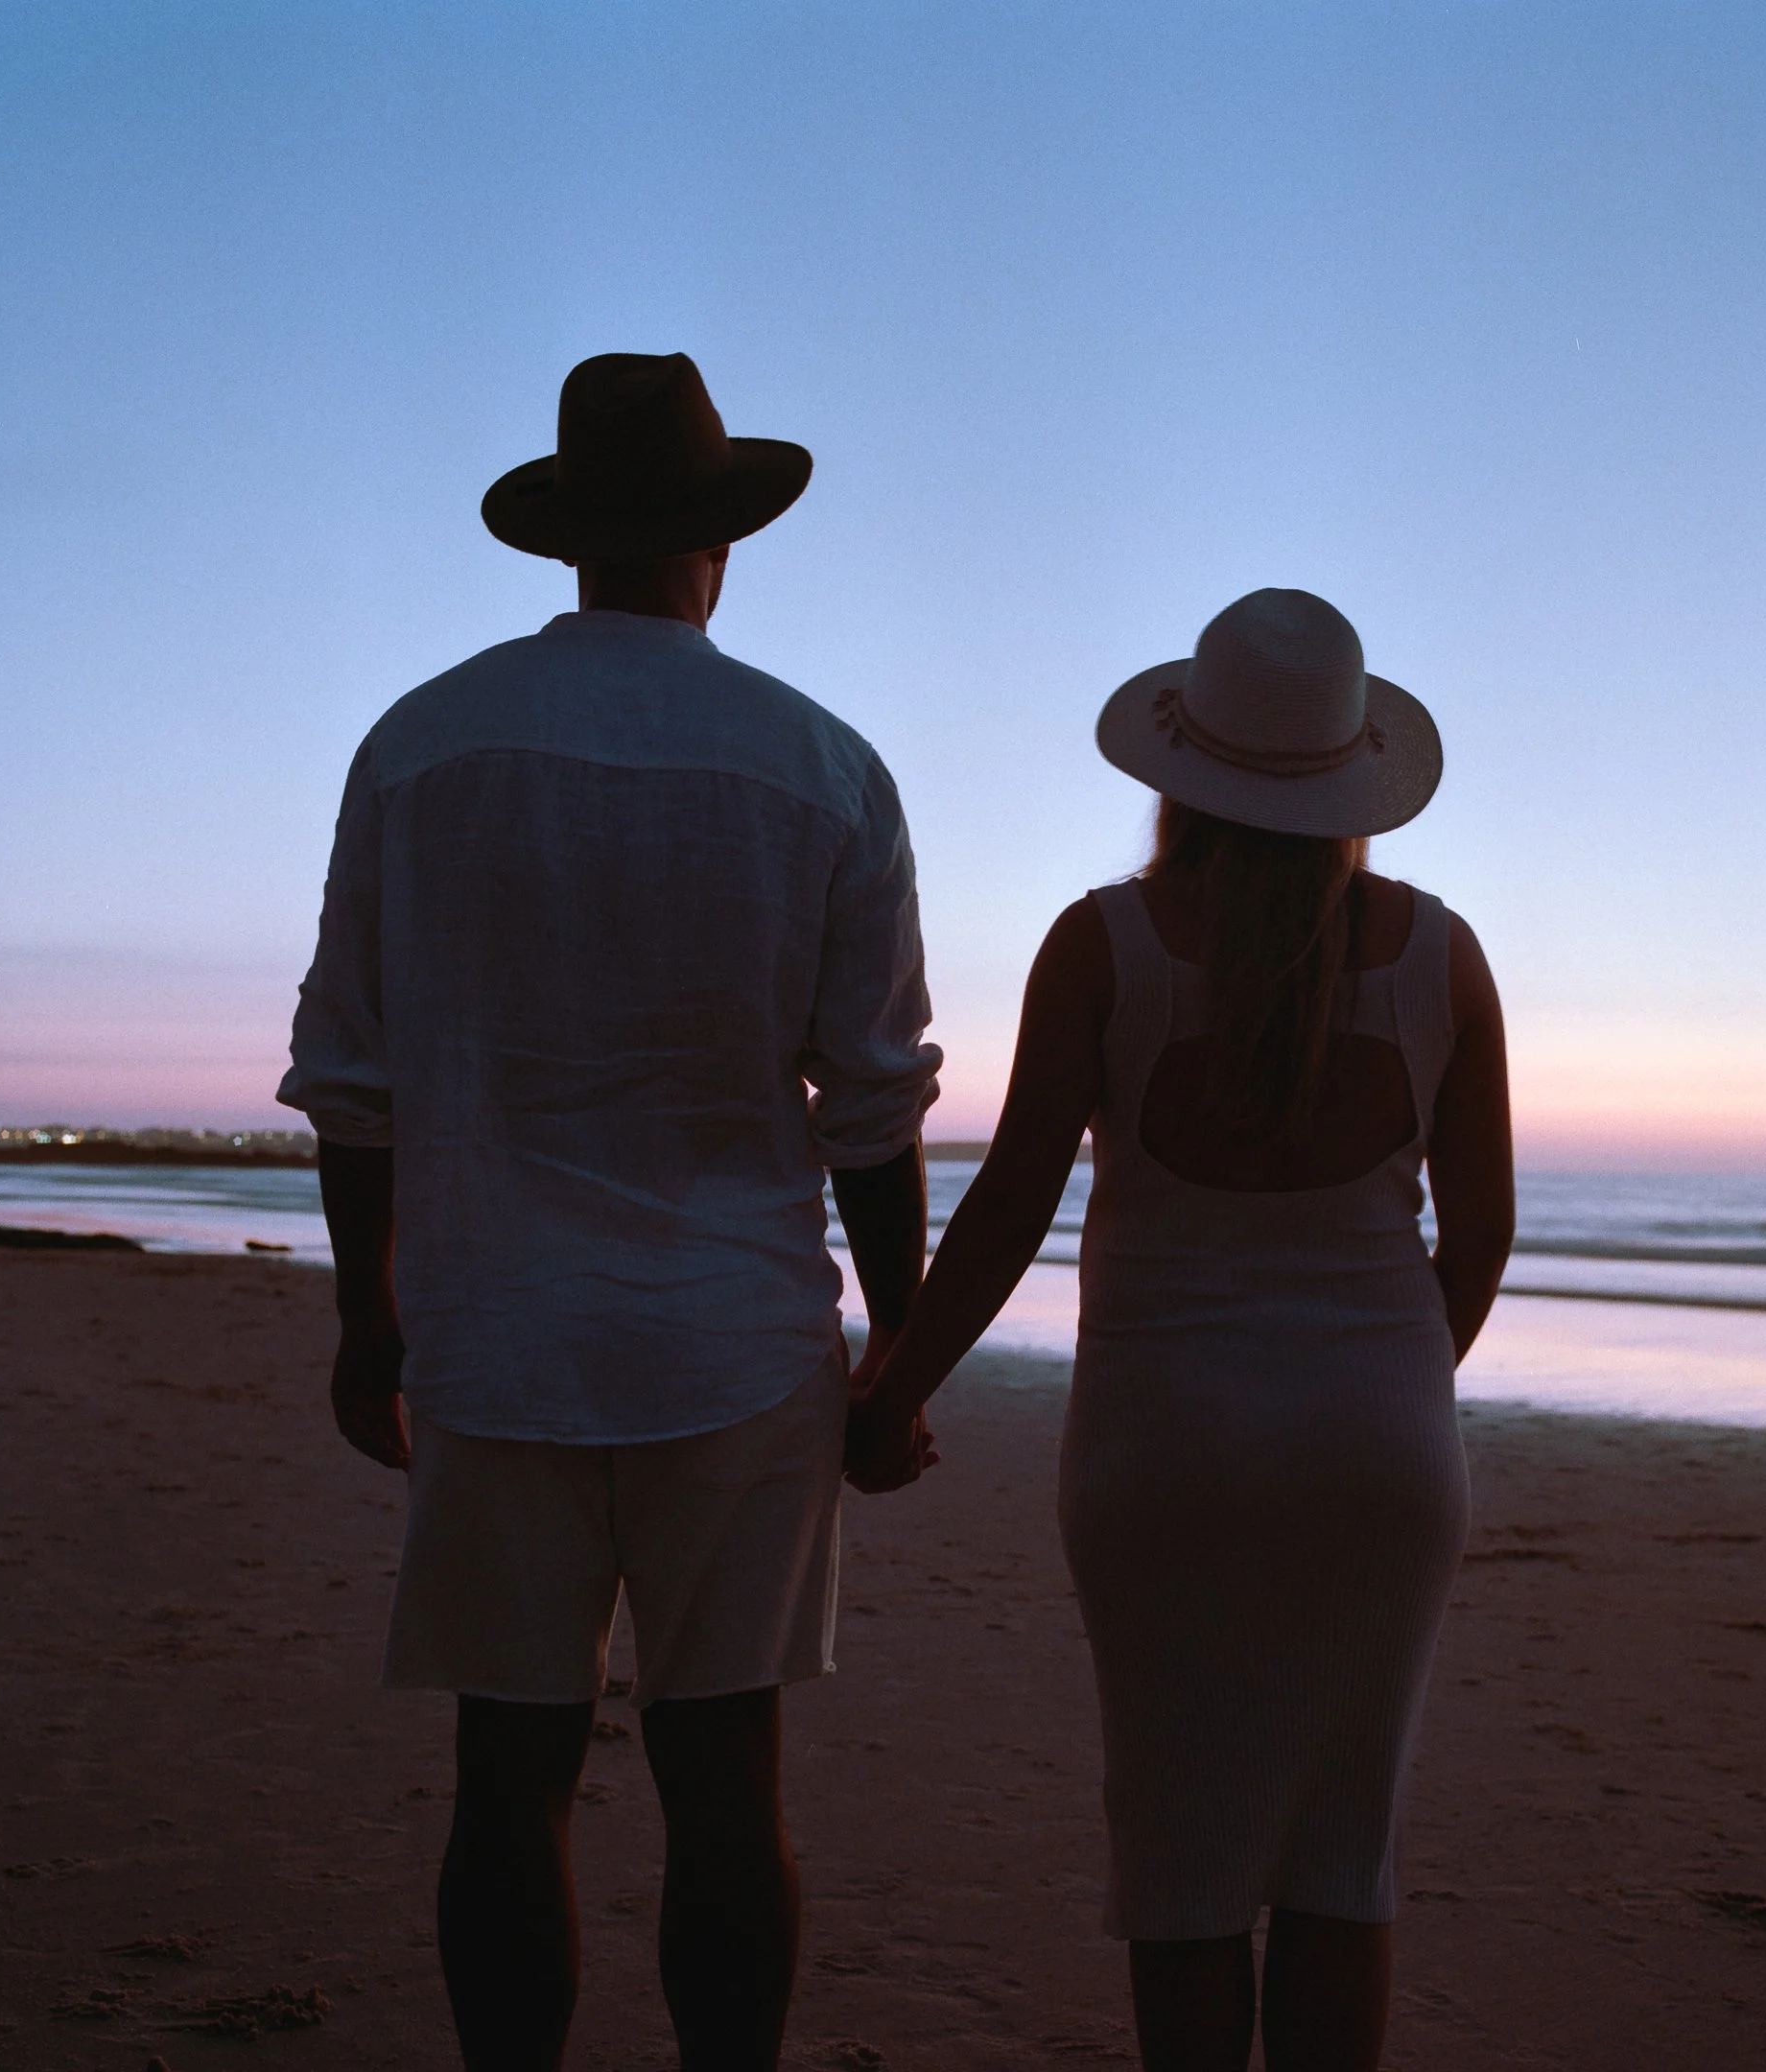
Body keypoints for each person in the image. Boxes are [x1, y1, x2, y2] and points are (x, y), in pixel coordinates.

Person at [278, 351, 941, 2072]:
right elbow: (871, 1102)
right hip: (736, 1336)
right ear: (721, 543)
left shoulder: (422, 746)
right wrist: (905, 1354)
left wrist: (374, 1315)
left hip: (496, 1332)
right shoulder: (822, 765)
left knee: (509, 1780)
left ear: (567, 536)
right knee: (726, 1787)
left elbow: (356, 1076)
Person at [845, 589, 1514, 2072]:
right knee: (1348, 1857)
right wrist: (1395, 1384)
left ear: (1178, 774)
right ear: (1356, 783)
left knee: (1186, 1867)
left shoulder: (1103, 949)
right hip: (1381, 1459)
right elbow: (1479, 1239)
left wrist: (892, 1388)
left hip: (1164, 1454)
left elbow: (1011, 1207)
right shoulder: (1443, 959)